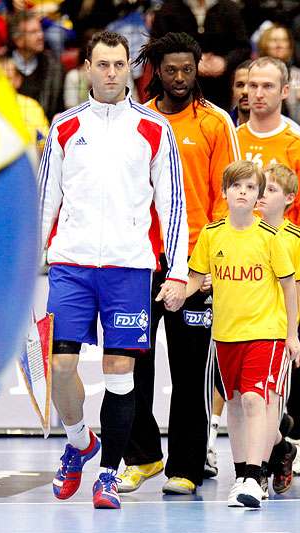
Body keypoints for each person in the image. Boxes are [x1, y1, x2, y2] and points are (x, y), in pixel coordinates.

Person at [38, 30, 189, 510]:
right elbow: (45, 203)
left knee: (120, 372)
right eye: (101, 65)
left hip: (128, 269)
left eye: (118, 65)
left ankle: (107, 474)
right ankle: (81, 441)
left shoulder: (154, 128)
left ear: (130, 68)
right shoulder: (63, 126)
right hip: (71, 264)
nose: (110, 73)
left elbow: (173, 204)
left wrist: (179, 271)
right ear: (86, 67)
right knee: (59, 367)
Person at [113, 32, 240, 496]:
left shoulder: (215, 122)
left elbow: (226, 199)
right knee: (131, 363)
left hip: (194, 263)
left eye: (188, 69)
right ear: (155, 71)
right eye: (171, 70)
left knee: (191, 372)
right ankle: (142, 456)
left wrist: (205, 269)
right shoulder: (136, 122)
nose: (180, 78)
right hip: (140, 261)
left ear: (199, 68)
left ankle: (185, 466)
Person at [182, 160, 300, 509]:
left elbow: (290, 285)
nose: (243, 192)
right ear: (225, 192)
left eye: (250, 188)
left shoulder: (270, 237)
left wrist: (294, 335)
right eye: (237, 186)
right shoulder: (211, 234)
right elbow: (196, 277)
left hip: (266, 332)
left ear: (258, 196)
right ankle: (241, 476)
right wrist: (178, 293)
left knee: (253, 400)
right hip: (225, 334)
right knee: (233, 403)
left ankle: (254, 475)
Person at [236, 56, 300, 474]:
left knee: (291, 361)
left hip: (284, 275)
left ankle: (294, 440)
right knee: (237, 369)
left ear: (285, 92)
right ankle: (272, 438)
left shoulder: (299, 144)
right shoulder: (232, 137)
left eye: (267, 87)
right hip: (238, 273)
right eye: (251, 86)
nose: (257, 94)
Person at [258, 163, 300, 495]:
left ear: (290, 198)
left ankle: (260, 472)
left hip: (278, 334)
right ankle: (281, 450)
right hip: (241, 330)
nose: (260, 195)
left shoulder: (295, 237)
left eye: (270, 190)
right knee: (247, 404)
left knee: (267, 406)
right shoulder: (242, 230)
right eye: (259, 188)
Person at [150, 0, 251, 109]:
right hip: (177, 93)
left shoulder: (229, 8)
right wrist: (190, 63)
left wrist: (225, 62)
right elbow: (155, 50)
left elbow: (243, 48)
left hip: (220, 89)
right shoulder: (167, 10)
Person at [7, 10, 65, 121]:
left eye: (40, 30)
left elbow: (60, 111)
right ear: (18, 40)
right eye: (33, 32)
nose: (40, 36)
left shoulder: (54, 67)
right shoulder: (0, 68)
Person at [257, 23, 300, 127]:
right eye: (274, 41)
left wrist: (298, 99)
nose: (279, 45)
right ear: (264, 44)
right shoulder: (253, 73)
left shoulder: (299, 76)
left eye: (284, 40)